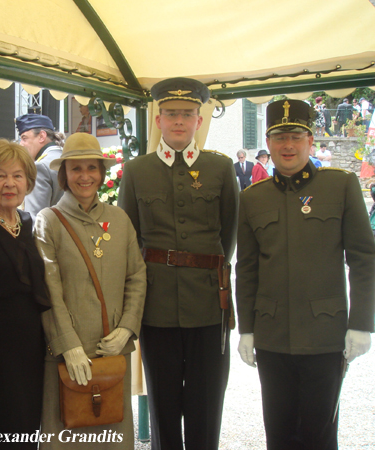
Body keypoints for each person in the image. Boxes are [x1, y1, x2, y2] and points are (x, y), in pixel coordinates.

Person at [236, 99, 375, 450]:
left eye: (296, 136)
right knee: (279, 434)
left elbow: (363, 258)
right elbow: (247, 268)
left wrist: (361, 323)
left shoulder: (339, 186)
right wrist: (247, 329)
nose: (288, 145)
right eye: (280, 136)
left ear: (311, 141)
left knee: (320, 434)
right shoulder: (253, 198)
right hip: (272, 336)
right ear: (268, 142)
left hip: (324, 335)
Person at [119, 77, 238, 450]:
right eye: (171, 114)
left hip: (207, 304)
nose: (179, 121)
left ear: (199, 120)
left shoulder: (220, 169)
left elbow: (229, 236)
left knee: (206, 402)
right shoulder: (138, 171)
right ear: (158, 120)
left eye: (187, 114)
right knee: (163, 402)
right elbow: (129, 238)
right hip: (157, 305)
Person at [35, 133, 146, 449]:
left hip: (112, 353)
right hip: (66, 359)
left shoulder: (120, 219)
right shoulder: (48, 222)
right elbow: (48, 289)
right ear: (63, 174)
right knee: (66, 437)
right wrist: (68, 345)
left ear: (102, 172)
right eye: (76, 169)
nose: (85, 177)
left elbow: (137, 277)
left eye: (92, 168)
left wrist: (127, 328)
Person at [0, 139, 50, 447]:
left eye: (18, 176)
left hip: (31, 348)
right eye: (1, 174)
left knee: (28, 425)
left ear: (28, 182)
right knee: (0, 430)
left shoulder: (29, 222)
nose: (10, 183)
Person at [17, 114, 64, 223]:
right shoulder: (68, 159)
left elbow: (36, 221)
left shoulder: (39, 167)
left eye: (24, 138)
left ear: (42, 136)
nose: (21, 144)